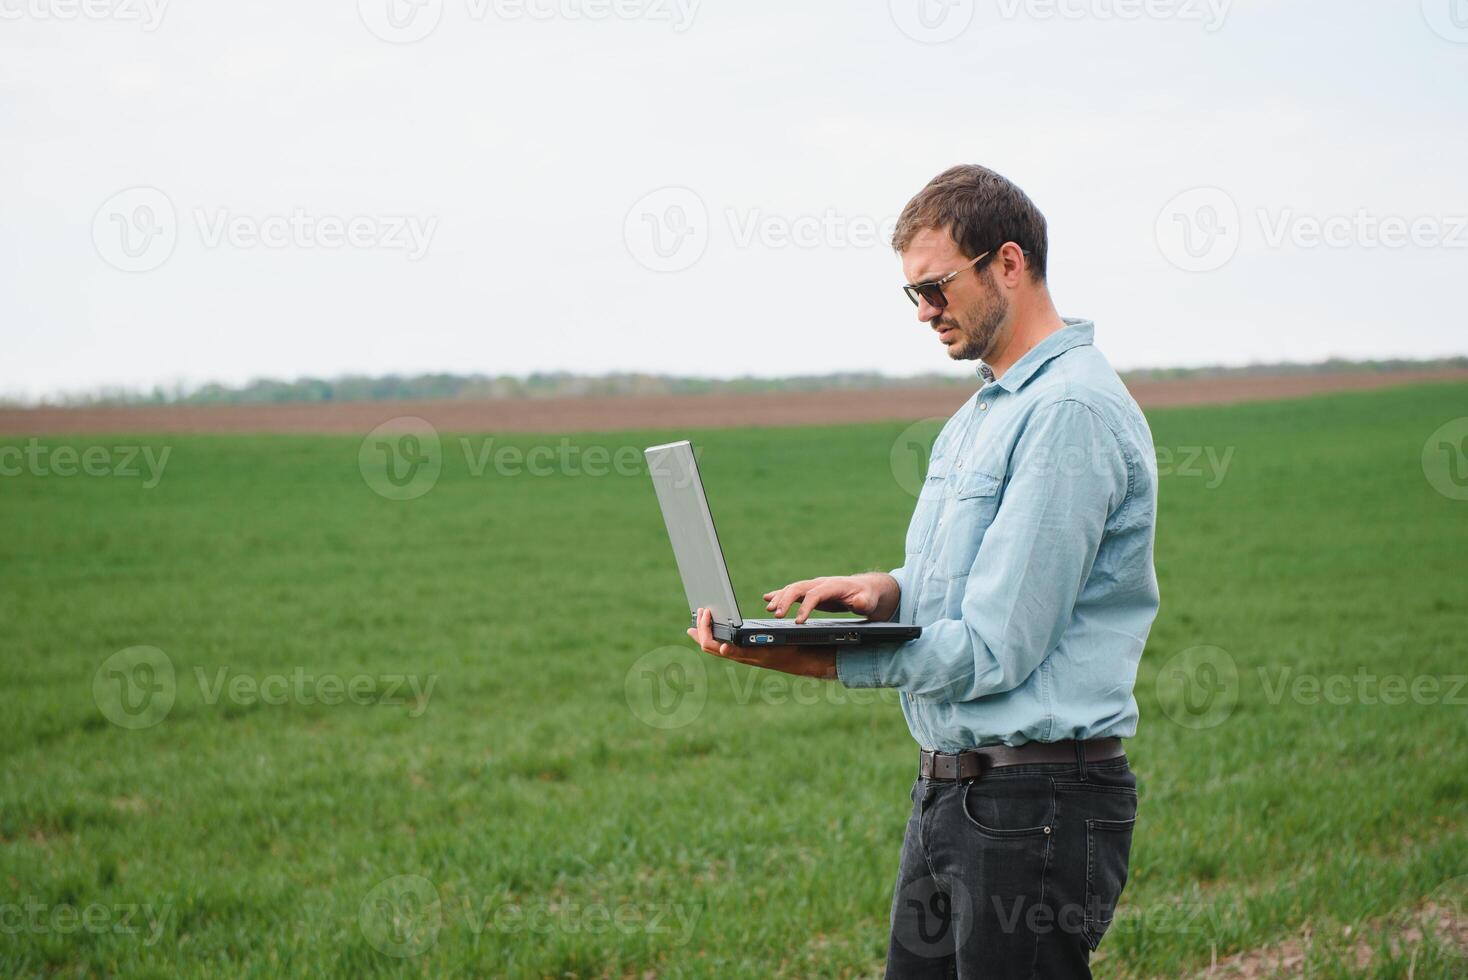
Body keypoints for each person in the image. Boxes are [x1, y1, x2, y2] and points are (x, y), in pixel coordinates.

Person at [687, 164, 1160, 978]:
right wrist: (884, 591)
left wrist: (820, 657)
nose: (925, 312)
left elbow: (992, 647)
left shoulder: (1067, 414)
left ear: (1007, 263)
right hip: (953, 793)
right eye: (911, 295)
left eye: (936, 287)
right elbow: (965, 587)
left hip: (1035, 807)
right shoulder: (984, 414)